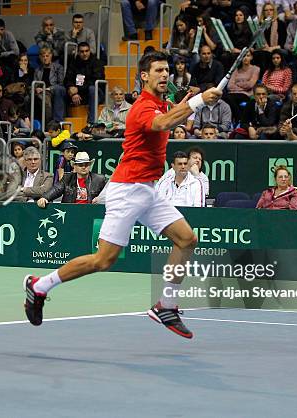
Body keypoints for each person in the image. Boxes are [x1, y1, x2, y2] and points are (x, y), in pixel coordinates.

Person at [23, 51, 222, 339]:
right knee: (103, 260)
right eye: (158, 71)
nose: (165, 75)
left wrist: (197, 98)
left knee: (187, 239)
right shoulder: (142, 107)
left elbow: (172, 110)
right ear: (144, 76)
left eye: (167, 70)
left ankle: (165, 306)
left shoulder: (161, 102)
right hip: (127, 190)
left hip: (148, 190)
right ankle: (40, 285)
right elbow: (164, 123)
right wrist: (200, 100)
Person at [37, 151, 106, 207]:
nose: (84, 167)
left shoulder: (99, 179)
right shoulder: (67, 178)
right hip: (70, 212)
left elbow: (109, 195)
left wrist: (100, 199)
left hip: (90, 213)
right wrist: (45, 197)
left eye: (86, 164)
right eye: (80, 165)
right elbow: (56, 189)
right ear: (75, 167)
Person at [64, 42, 105, 124]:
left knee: (92, 88)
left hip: (95, 94)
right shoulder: (73, 63)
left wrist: (77, 90)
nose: (84, 53)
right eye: (82, 51)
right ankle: (59, 122)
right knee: (59, 89)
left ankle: (91, 123)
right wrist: (71, 89)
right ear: (78, 52)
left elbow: (95, 81)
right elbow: (67, 79)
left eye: (87, 51)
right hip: (78, 94)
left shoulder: (97, 63)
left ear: (90, 51)